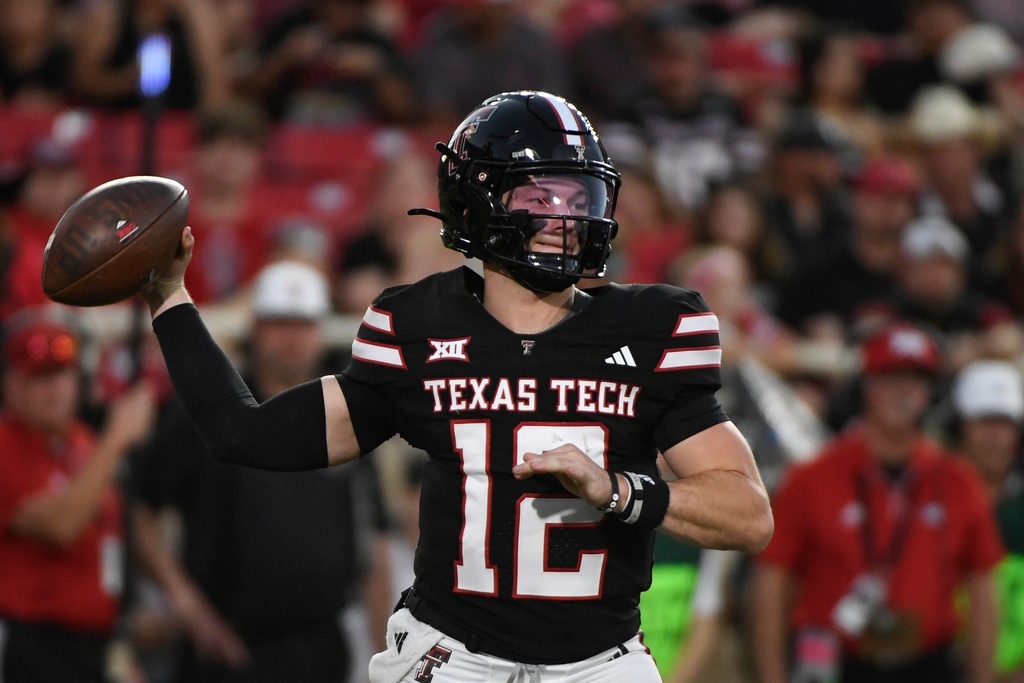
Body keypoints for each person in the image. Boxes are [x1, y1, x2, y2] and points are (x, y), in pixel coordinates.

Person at [139, 90, 773, 682]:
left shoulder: (651, 326)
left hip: (599, 663)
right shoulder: (418, 325)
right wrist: (170, 297)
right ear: (478, 202)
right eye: (540, 197)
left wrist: (618, 490)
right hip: (454, 658)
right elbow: (243, 432)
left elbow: (748, 514)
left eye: (579, 199)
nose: (565, 219)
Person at [131, 261, 392, 683]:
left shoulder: (346, 415)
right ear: (256, 328)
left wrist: (384, 654)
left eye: (304, 324)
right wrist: (188, 608)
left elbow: (373, 542)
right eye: (280, 324)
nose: (293, 339)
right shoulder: (208, 415)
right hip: (229, 650)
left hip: (322, 648)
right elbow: (139, 506)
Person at [750, 322, 1003, 683]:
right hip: (835, 665)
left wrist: (982, 676)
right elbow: (771, 583)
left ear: (930, 393)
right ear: (866, 386)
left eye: (915, 382)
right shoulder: (812, 477)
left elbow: (982, 586)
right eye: (890, 379)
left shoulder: (957, 480)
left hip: (928, 664)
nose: (903, 393)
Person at [0, 309, 155, 683]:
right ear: (12, 386)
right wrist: (116, 440)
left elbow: (114, 531)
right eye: (38, 377)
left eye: (61, 373)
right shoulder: (7, 446)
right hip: (34, 643)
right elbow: (60, 525)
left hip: (94, 642)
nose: (54, 388)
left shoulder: (83, 444)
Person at [950, 360, 1024, 682]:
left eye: (1005, 423)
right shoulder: (930, 502)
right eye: (984, 422)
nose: (995, 436)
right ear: (961, 427)